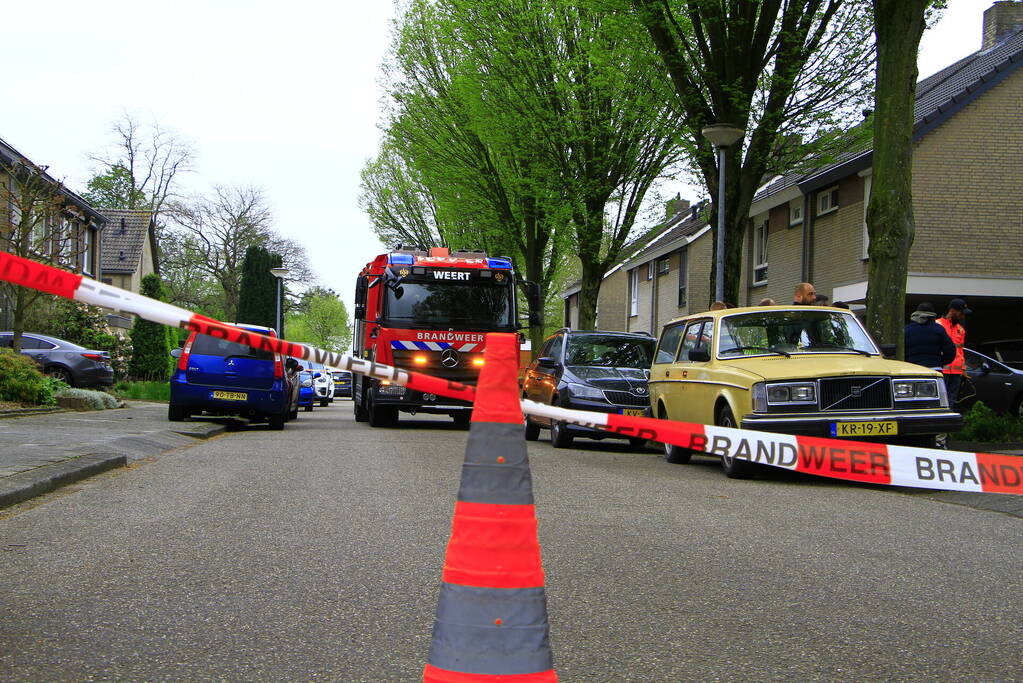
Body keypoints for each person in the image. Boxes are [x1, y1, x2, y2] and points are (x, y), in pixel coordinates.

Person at [936, 298, 970, 403]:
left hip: (956, 371)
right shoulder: (937, 325)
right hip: (942, 370)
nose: (963, 316)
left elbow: (960, 350)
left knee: (952, 400)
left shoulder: (960, 329)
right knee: (941, 400)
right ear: (952, 310)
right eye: (961, 313)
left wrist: (963, 369)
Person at [904, 302, 955, 371]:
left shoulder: (906, 330)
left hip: (912, 369)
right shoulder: (939, 329)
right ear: (933, 315)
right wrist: (940, 362)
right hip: (934, 369)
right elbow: (950, 350)